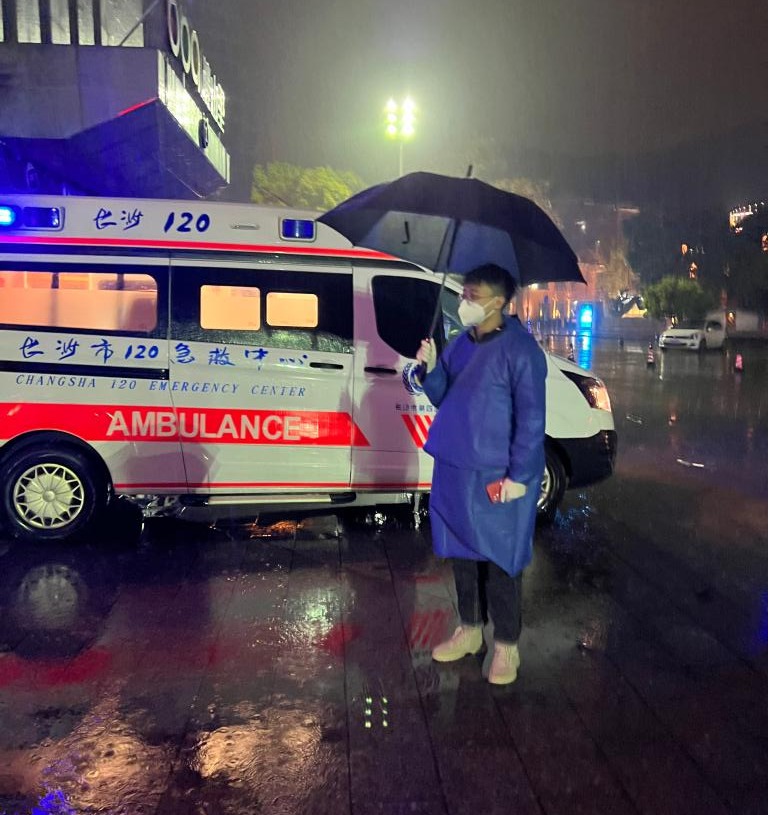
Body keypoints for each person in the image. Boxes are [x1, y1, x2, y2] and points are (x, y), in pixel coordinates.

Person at [415, 263, 547, 685]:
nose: (464, 302)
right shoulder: (461, 343)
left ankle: (507, 645)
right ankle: (470, 630)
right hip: (455, 465)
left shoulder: (522, 351)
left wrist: (519, 476)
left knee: (501, 557)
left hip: (497, 474)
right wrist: (430, 367)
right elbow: (442, 395)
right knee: (462, 553)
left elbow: (531, 419)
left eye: (473, 296)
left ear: (499, 302)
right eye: (464, 294)